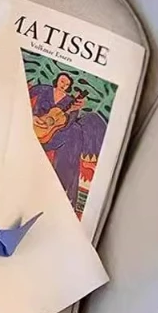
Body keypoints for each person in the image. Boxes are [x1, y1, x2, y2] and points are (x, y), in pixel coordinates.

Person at [29, 72, 107, 212]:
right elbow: (24, 95)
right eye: (62, 81)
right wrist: (32, 116)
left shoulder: (70, 101)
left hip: (55, 136)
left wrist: (70, 112)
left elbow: (69, 122)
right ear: (57, 80)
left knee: (75, 131)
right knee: (74, 134)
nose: (63, 85)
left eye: (67, 84)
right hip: (35, 128)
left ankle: (63, 190)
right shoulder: (44, 90)